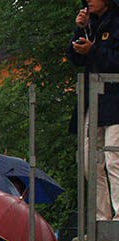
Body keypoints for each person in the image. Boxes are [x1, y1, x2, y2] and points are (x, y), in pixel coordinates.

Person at [70, 0, 119, 221]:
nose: (89, 1)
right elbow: (75, 58)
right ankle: (102, 219)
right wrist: (79, 29)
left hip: (116, 101)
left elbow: (114, 60)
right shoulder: (91, 23)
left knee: (114, 159)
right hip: (93, 101)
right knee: (89, 162)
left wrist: (94, 50)